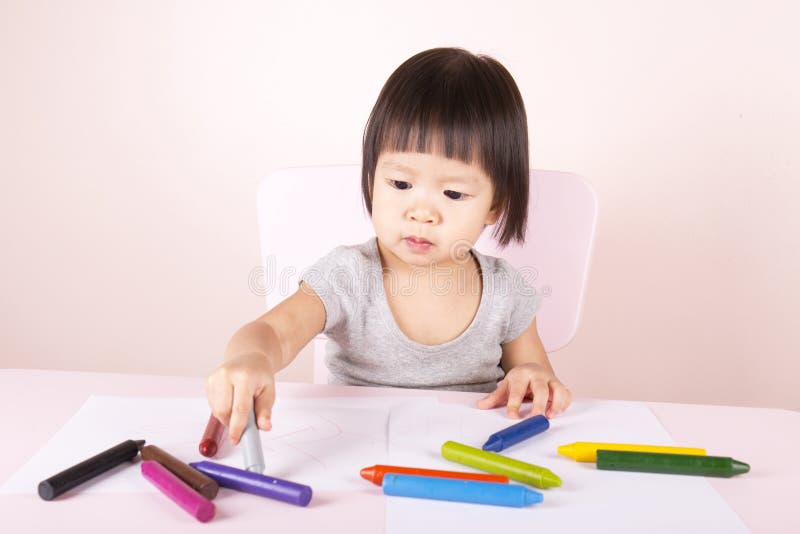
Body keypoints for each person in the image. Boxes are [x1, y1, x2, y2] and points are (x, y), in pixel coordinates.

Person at [206, 47, 572, 445]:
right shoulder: (348, 275)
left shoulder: (506, 292)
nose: (422, 212)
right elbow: (272, 334)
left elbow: (536, 374)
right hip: (355, 455)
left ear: (495, 205)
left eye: (452, 193)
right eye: (400, 184)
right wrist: (251, 359)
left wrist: (534, 379)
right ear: (371, 180)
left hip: (468, 463)